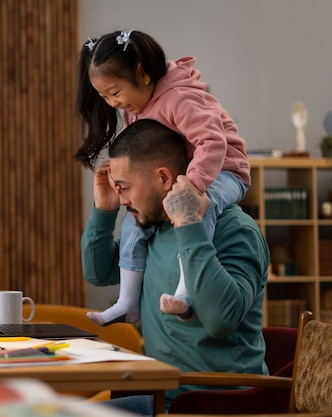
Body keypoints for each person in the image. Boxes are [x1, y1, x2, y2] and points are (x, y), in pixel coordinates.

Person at [81, 119, 269, 415]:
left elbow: (221, 320)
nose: (122, 198)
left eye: (125, 187)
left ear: (164, 179)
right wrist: (104, 213)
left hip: (223, 406)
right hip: (165, 399)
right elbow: (99, 273)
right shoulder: (153, 228)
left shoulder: (236, 230)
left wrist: (190, 225)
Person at [75, 30, 250, 325]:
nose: (112, 104)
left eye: (115, 93)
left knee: (195, 210)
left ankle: (185, 293)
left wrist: (192, 188)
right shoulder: (138, 107)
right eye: (104, 97)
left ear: (142, 73)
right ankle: (128, 302)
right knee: (131, 220)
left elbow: (213, 142)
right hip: (187, 172)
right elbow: (97, 272)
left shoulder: (180, 98)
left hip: (226, 170)